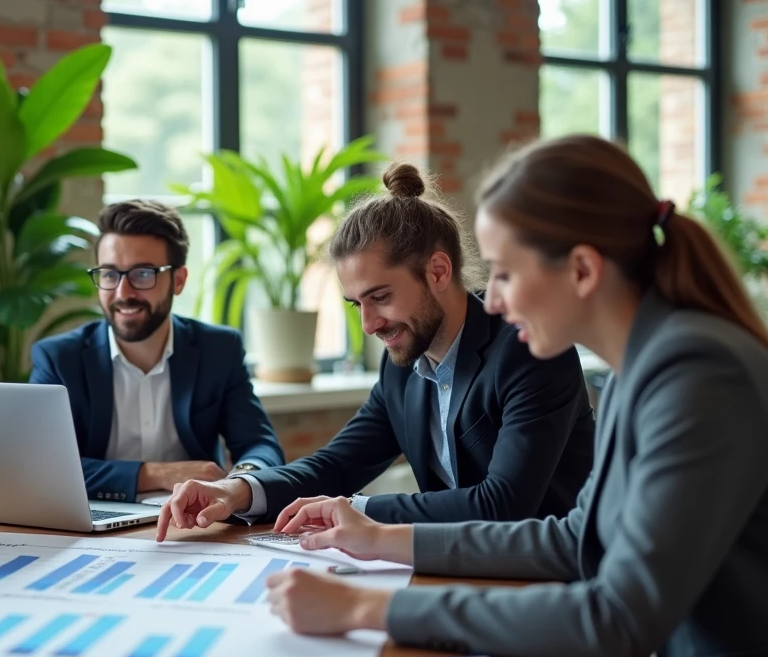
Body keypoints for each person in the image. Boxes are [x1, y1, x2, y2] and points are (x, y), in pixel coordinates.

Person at [265, 135, 768, 657]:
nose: (493, 298)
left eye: (506, 273)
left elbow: (617, 618)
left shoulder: (698, 374)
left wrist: (364, 609)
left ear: (582, 270)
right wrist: (380, 538)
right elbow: (575, 539)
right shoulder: (643, 369)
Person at [156, 162, 595, 541]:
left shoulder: (529, 348)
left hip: (553, 577)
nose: (369, 325)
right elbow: (338, 464)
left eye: (380, 297)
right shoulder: (402, 364)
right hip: (458, 566)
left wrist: (355, 510)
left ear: (438, 271)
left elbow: (504, 505)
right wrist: (238, 490)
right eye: (357, 304)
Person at [29, 199, 284, 503]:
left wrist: (238, 481)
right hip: (94, 518)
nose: (123, 293)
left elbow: (261, 446)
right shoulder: (60, 359)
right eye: (109, 274)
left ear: (178, 280)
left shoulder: (218, 349)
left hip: (194, 518)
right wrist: (154, 474)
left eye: (143, 274)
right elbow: (43, 465)